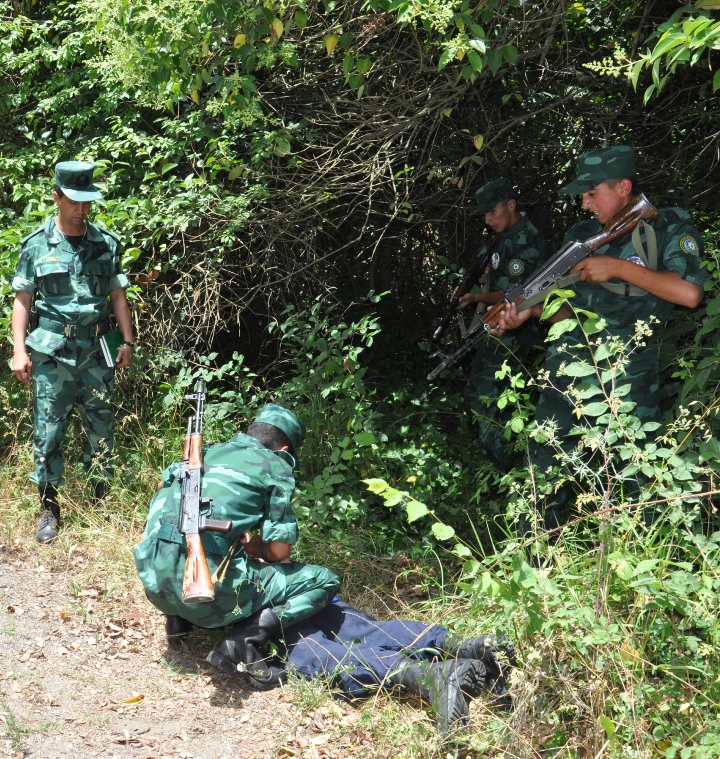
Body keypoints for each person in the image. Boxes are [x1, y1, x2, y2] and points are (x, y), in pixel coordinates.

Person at [495, 146, 706, 531]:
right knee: (542, 474)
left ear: (624, 186)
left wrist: (618, 267)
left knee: (641, 481)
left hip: (628, 374)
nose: (584, 203)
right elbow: (564, 311)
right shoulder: (580, 236)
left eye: (592, 193)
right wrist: (527, 313)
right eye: (582, 194)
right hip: (567, 368)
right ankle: (537, 562)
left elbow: (689, 294)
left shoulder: (668, 225)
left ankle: (653, 561)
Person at [134, 403, 341, 690]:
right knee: (323, 581)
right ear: (283, 450)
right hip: (209, 596)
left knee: (184, 543)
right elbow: (279, 552)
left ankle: (178, 619)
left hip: (155, 582)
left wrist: (222, 538)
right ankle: (243, 642)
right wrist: (257, 547)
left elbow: (163, 490)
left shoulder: (205, 453)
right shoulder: (275, 465)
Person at [10, 161, 135, 544]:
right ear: (57, 197)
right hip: (52, 352)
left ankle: (100, 504)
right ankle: (49, 508)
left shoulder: (107, 243)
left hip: (98, 351)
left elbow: (118, 295)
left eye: (87, 202)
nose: (82, 209)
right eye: (74, 201)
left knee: (102, 428)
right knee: (49, 431)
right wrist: (18, 349)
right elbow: (22, 301)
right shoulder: (35, 244)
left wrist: (127, 341)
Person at [279, 598, 516, 735]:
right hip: (296, 584)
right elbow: (280, 544)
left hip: (263, 605)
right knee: (362, 629)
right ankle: (465, 648)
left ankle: (432, 676)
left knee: (311, 652)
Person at [459, 178, 550, 469]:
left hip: (515, 334)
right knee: (474, 397)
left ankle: (508, 475)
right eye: (483, 214)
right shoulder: (503, 234)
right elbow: (493, 271)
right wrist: (481, 278)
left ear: (511, 205)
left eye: (492, 211)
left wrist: (475, 296)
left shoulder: (528, 240)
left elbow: (514, 293)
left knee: (492, 407)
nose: (487, 219)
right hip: (493, 331)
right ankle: (491, 468)